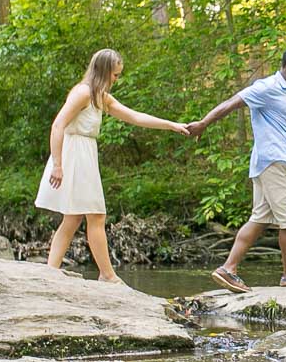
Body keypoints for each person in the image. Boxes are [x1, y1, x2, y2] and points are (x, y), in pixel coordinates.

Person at [36, 48, 190, 286]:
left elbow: (135, 117)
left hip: (85, 154)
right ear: (104, 71)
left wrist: (171, 125)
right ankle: (107, 275)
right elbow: (58, 126)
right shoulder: (83, 92)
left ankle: (51, 270)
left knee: (73, 218)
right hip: (73, 154)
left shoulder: (100, 96)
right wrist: (57, 164)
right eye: (115, 74)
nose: (116, 79)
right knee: (95, 215)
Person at [188, 47, 286, 291]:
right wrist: (204, 123)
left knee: (259, 219)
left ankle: (228, 269)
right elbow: (232, 103)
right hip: (275, 162)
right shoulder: (267, 87)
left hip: (273, 162)